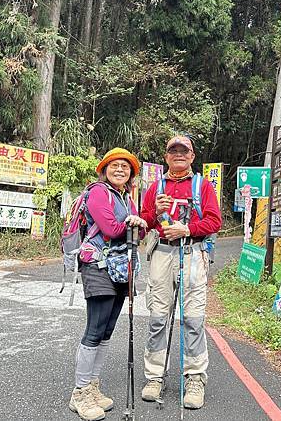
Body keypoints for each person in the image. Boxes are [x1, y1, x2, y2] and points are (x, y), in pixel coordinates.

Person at [140, 135, 222, 410]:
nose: (178, 155)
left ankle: (195, 378)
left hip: (192, 254)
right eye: (172, 151)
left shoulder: (203, 186)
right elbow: (143, 223)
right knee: (158, 318)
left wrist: (187, 229)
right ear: (165, 157)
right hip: (161, 254)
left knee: (194, 320)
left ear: (191, 156)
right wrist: (154, 211)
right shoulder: (155, 187)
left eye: (182, 151)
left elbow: (214, 221)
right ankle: (154, 377)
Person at [69, 148, 147, 421]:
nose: (120, 170)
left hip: (120, 268)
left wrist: (136, 222)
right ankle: (80, 393)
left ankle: (93, 384)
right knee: (95, 329)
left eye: (126, 167)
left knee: (107, 330)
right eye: (114, 165)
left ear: (131, 175)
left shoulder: (126, 196)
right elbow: (113, 229)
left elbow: (141, 230)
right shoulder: (99, 192)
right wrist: (132, 222)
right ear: (104, 169)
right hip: (98, 267)